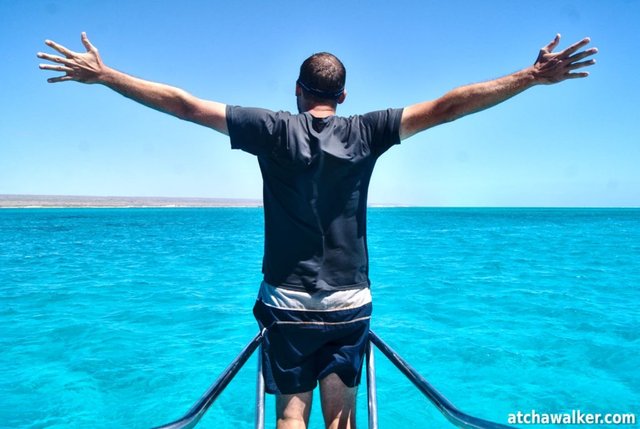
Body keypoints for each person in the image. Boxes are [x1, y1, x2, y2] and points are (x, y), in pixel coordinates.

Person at [38, 32, 596, 429]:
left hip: (285, 300)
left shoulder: (270, 129)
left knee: (289, 413)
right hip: (350, 301)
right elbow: (449, 107)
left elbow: (185, 106)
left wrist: (106, 76)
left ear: (298, 91)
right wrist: (530, 77)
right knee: (342, 418)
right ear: (344, 95)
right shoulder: (367, 130)